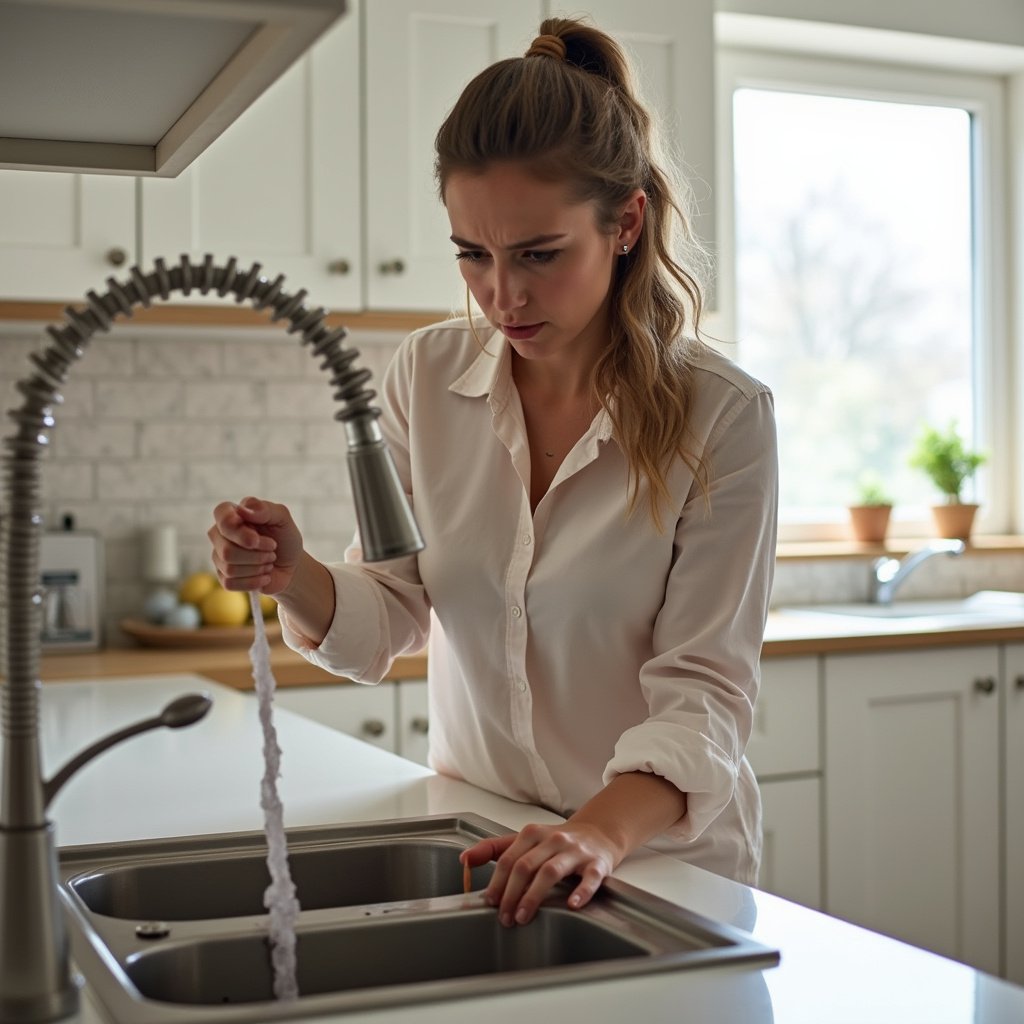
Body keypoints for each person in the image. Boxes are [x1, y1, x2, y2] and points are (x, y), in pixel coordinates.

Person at [208, 17, 778, 930]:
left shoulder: (722, 415)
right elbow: (392, 611)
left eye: (538, 255)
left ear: (626, 222)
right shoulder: (426, 379)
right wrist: (297, 576)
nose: (501, 296)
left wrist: (593, 833)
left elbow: (705, 696)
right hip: (486, 846)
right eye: (473, 254)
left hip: (660, 869)